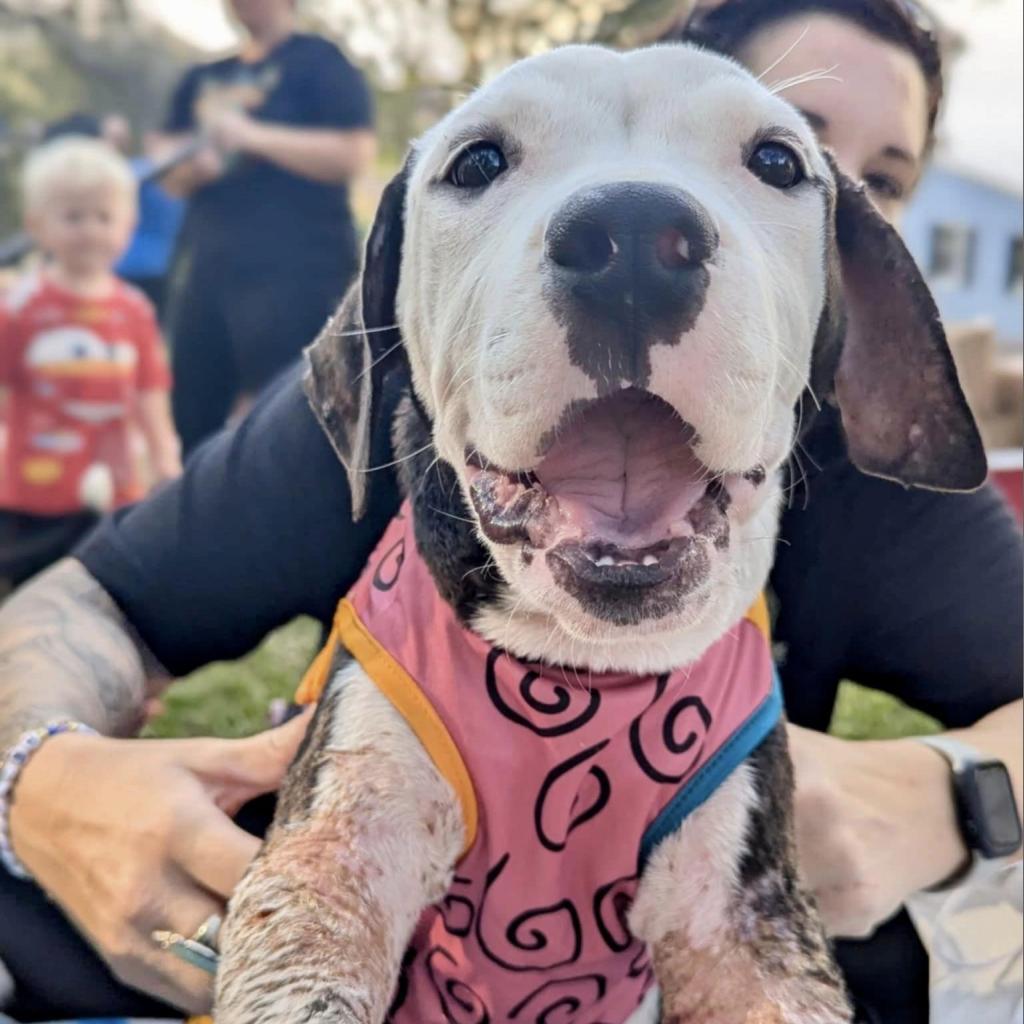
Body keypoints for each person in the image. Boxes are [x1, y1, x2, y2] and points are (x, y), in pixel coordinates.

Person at [0, 0, 1019, 1021]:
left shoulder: (878, 461)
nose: (660, 228)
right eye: (486, 166)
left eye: (777, 166)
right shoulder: (388, 375)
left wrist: (952, 794)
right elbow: (87, 607)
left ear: (860, 270)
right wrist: (38, 779)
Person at [156, 0, 376, 454]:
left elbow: (353, 153)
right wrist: (196, 164)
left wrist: (250, 136)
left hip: (300, 273)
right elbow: (165, 163)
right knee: (194, 419)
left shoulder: (320, 62)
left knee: (302, 421)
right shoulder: (201, 76)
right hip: (209, 272)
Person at [0, 137, 180, 590]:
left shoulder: (135, 311)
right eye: (73, 216)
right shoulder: (19, 307)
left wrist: (165, 460)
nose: (91, 230)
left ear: (128, 225)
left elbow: (149, 393)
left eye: (105, 217)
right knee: (25, 593)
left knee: (94, 595)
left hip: (111, 490)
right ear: (38, 226)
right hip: (31, 489)